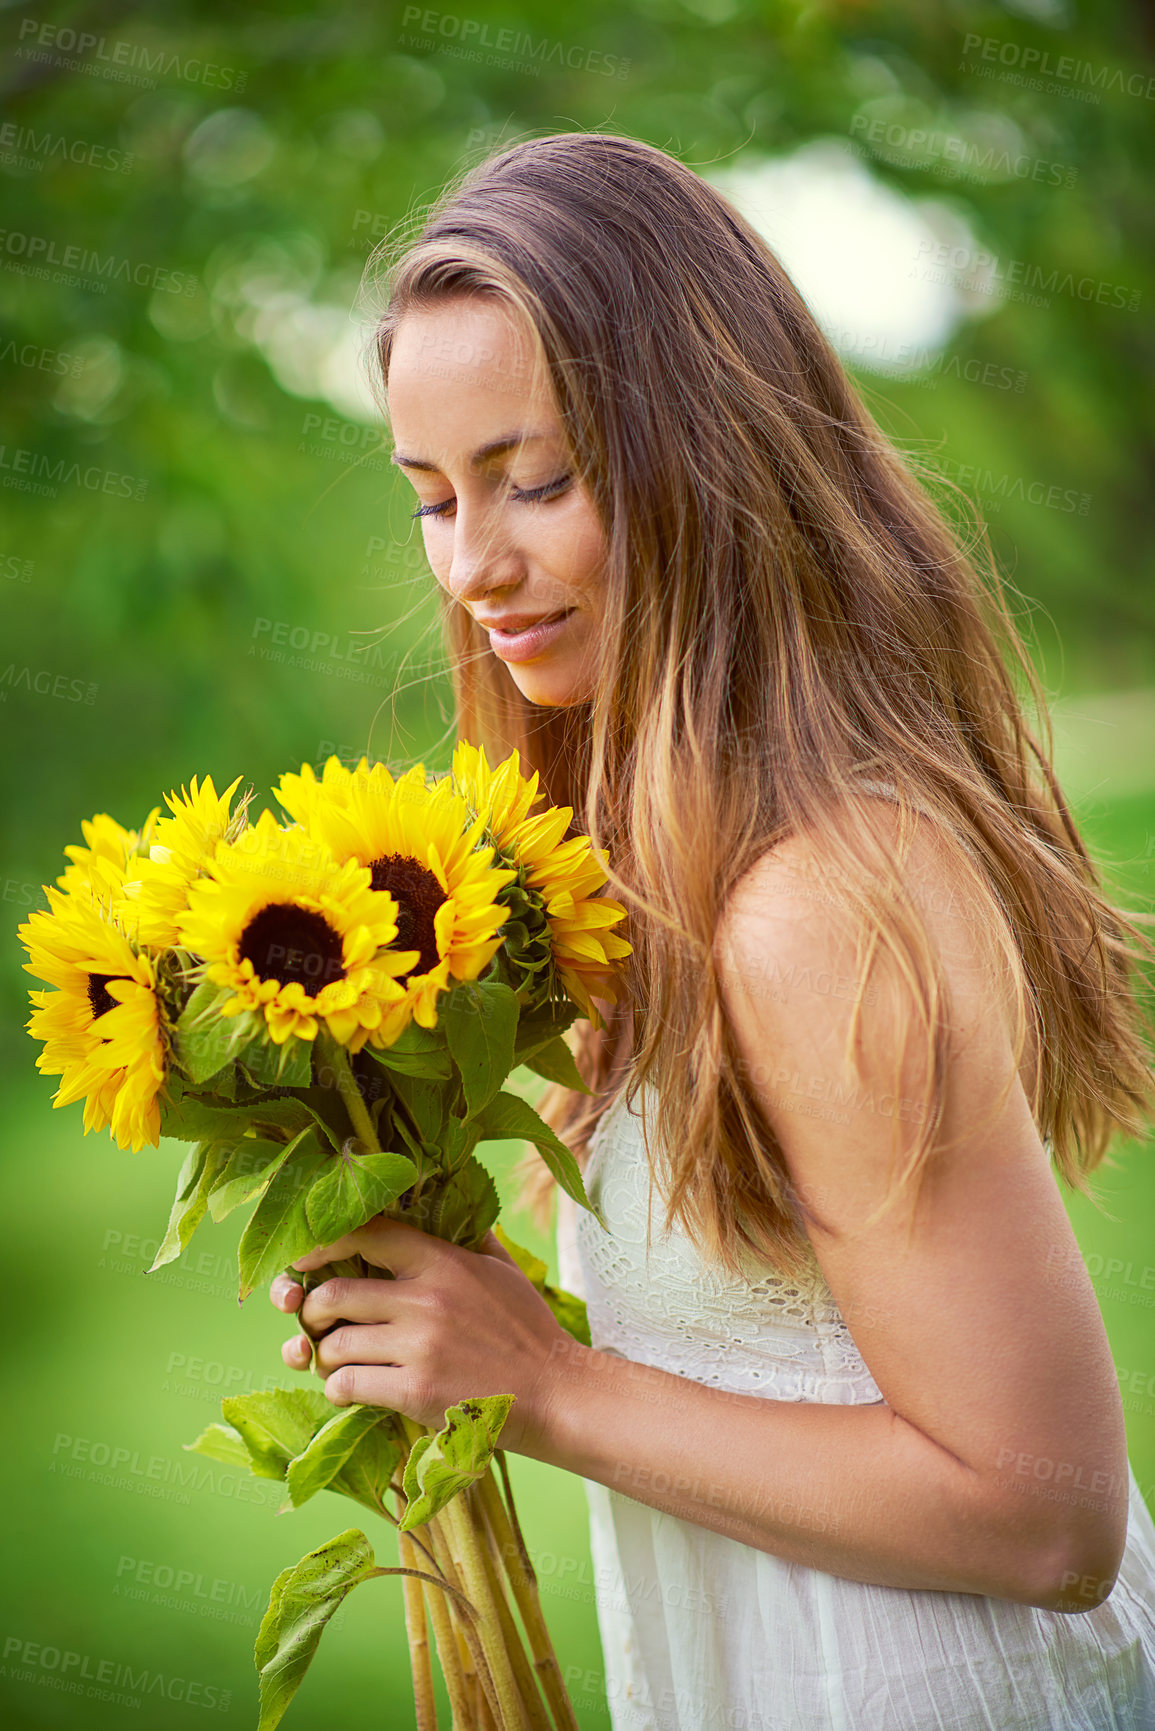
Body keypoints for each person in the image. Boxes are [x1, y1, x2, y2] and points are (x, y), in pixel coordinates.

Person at [269, 132, 1155, 1729]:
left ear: (706, 450)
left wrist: (542, 1381)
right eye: (433, 496)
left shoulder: (816, 898)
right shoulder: (636, 862)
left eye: (537, 479)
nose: (475, 562)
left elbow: (1049, 1517)